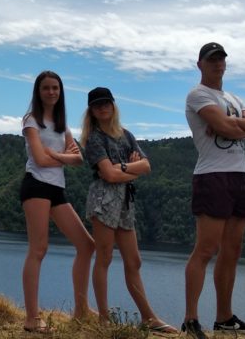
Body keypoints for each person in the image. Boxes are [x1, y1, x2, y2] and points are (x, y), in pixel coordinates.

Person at [181, 42, 245, 339]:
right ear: (200, 64)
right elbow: (229, 128)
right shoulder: (198, 95)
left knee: (232, 251)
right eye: (212, 60)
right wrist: (237, 124)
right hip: (212, 176)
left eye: (221, 60)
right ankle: (191, 320)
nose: (218, 65)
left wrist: (231, 124)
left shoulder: (232, 97)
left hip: (238, 176)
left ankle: (224, 318)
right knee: (206, 249)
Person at [80, 87, 178, 335]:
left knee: (133, 261)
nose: (102, 108)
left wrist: (124, 166)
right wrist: (131, 168)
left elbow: (146, 165)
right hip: (103, 199)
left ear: (113, 105)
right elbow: (109, 175)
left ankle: (148, 317)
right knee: (104, 257)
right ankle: (103, 319)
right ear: (91, 110)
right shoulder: (94, 139)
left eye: (106, 103)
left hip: (125, 200)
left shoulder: (127, 135)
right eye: (97, 105)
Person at [20, 70, 95, 332]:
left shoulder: (63, 125)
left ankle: (81, 310)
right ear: (38, 92)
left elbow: (79, 159)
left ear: (60, 92)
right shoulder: (31, 121)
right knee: (38, 250)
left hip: (56, 188)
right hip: (36, 186)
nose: (51, 92)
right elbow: (39, 160)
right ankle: (32, 318)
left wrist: (59, 155)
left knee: (87, 245)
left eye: (55, 88)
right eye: (46, 88)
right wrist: (64, 155)